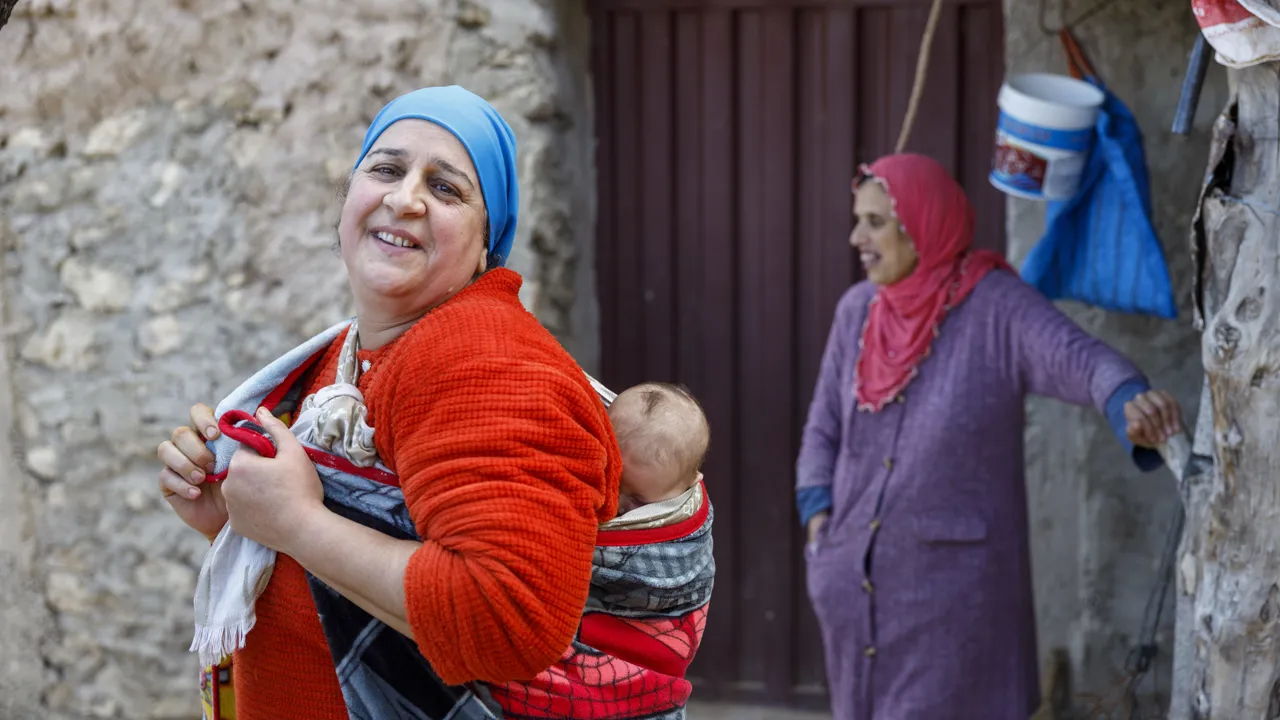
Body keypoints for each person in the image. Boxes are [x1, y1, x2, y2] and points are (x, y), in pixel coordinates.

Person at [156, 86, 623, 720]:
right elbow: (355, 553)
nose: (404, 199)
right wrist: (238, 518)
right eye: (385, 169)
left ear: (486, 244)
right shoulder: (354, 356)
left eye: (446, 188)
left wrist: (296, 523)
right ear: (348, 198)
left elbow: (508, 620)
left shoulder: (484, 359)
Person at [795, 153, 1183, 720]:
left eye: (875, 222)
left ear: (921, 224)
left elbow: (1077, 358)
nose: (858, 238)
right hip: (853, 587)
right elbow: (822, 426)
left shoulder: (995, 306)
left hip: (952, 607)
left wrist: (1128, 398)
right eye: (859, 221)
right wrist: (818, 521)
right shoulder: (858, 312)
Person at [486, 381, 716, 720]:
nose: (615, 505)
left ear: (690, 483)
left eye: (637, 501)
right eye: (611, 479)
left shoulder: (682, 534)